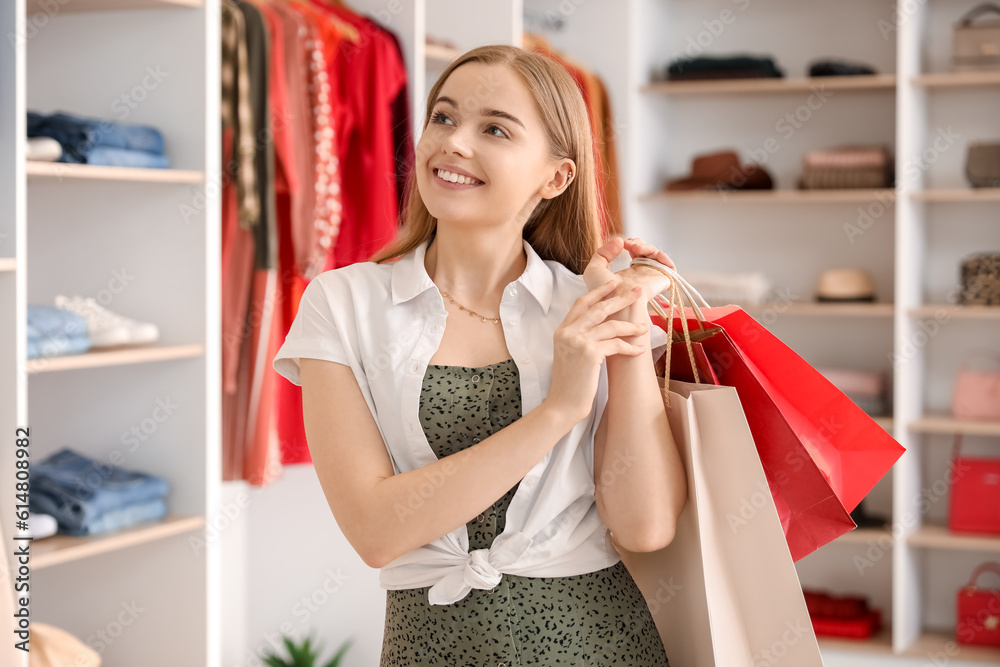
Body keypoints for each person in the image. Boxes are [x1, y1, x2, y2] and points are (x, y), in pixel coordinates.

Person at [272, 44, 686, 666]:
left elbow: (645, 527)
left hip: (600, 644)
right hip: (431, 648)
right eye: (443, 117)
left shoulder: (584, 308)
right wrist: (559, 409)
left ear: (556, 177)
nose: (454, 143)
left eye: (493, 128)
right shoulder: (344, 303)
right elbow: (377, 531)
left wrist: (624, 325)